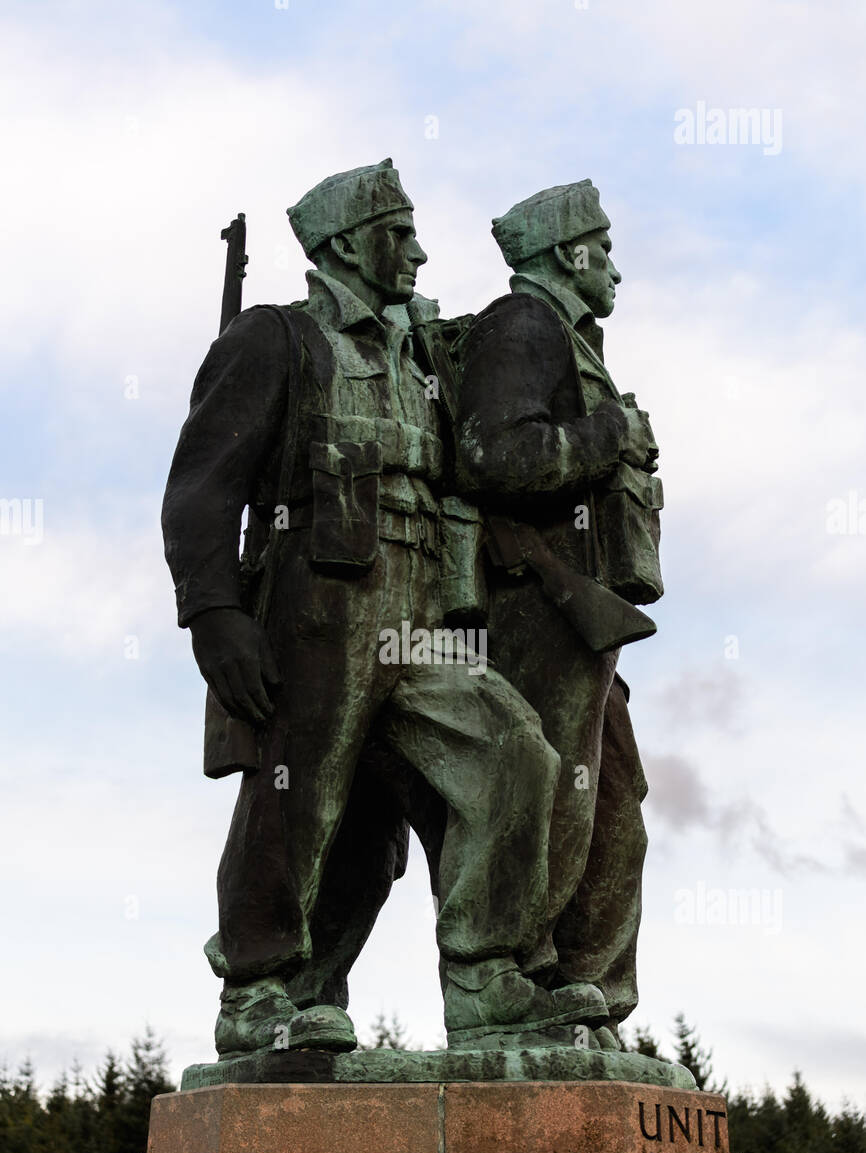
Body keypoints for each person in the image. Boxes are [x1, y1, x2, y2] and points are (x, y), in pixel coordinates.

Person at [162, 160, 606, 1056]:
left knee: (515, 754)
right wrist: (215, 614)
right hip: (317, 611)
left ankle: (486, 978)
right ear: (342, 246)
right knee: (299, 798)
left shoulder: (420, 356)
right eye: (398, 234)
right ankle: (257, 992)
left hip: (422, 617)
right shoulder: (275, 339)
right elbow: (201, 490)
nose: (418, 252)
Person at [455, 179, 663, 1046]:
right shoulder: (523, 325)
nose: (613, 264)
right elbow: (494, 455)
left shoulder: (572, 339)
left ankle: (592, 992)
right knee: (556, 788)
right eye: (602, 246)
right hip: (533, 601)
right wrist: (609, 435)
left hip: (581, 613)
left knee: (616, 799)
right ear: (565, 253)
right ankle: (527, 977)